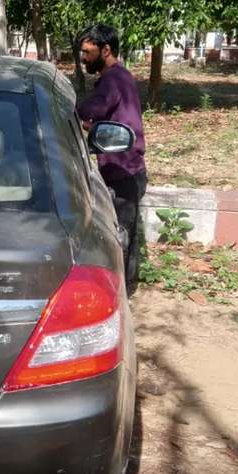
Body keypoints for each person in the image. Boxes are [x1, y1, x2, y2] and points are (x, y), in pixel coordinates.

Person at [75, 24, 147, 291]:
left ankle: (120, 294)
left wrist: (65, 106)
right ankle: (124, 289)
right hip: (126, 169)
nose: (83, 58)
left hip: (123, 171)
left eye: (87, 52)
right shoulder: (119, 76)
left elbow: (93, 108)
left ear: (105, 50)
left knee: (120, 238)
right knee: (124, 236)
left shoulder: (113, 80)